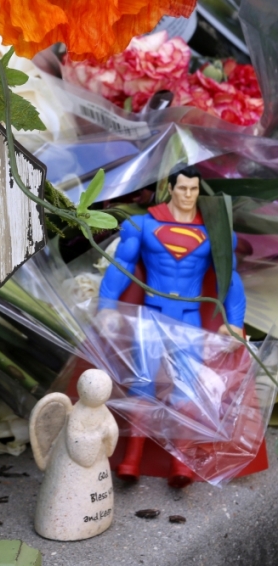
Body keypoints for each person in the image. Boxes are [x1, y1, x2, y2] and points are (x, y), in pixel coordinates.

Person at [97, 166, 246, 487]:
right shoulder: (142, 225)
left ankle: (181, 461)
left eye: (194, 189)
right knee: (142, 383)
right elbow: (121, 265)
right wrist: (107, 304)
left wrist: (235, 323)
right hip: (151, 314)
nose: (188, 195)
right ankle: (131, 459)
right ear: (170, 189)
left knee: (187, 390)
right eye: (183, 189)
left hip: (189, 316)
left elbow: (229, 277)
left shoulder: (215, 234)